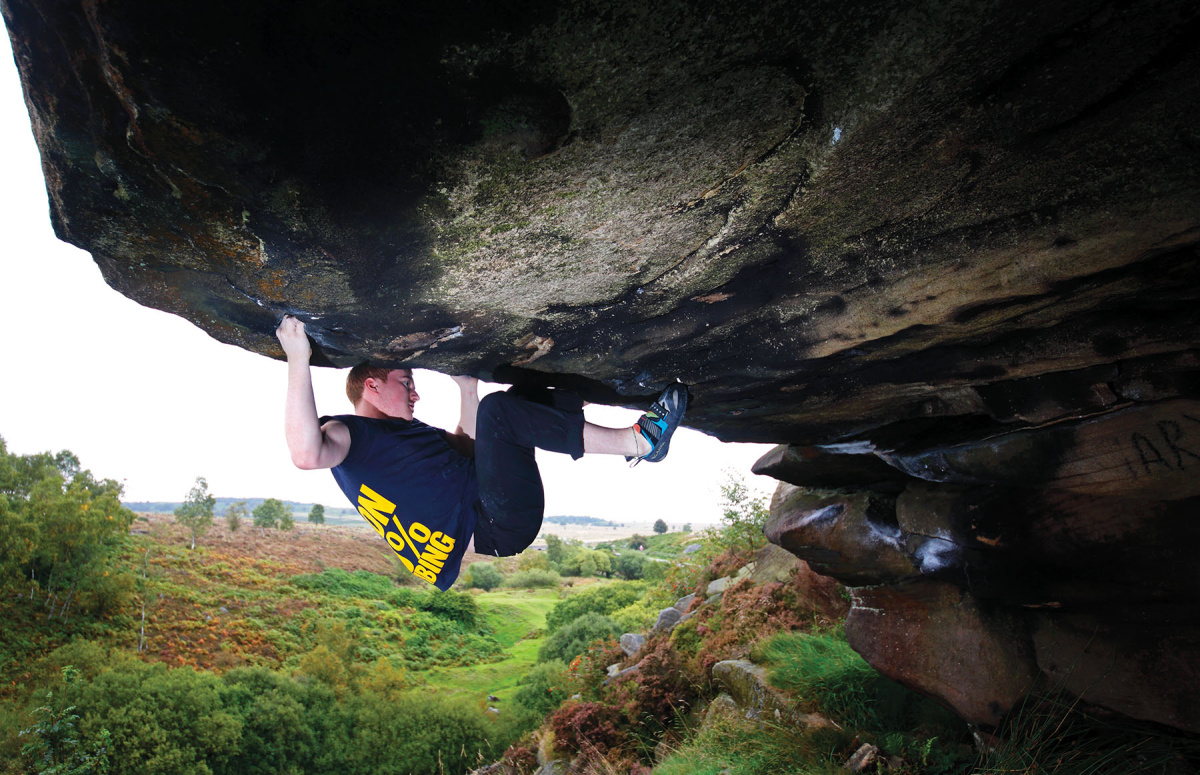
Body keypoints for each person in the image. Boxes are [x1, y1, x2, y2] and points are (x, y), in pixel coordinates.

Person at [275, 315, 688, 590]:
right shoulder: (350, 436)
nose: (415, 392)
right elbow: (306, 454)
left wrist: (467, 390)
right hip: (495, 523)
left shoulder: (408, 437)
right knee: (501, 411)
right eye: (406, 381)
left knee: (514, 398)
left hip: (496, 504)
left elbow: (474, 446)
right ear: (372, 386)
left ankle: (585, 400)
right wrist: (299, 357)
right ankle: (640, 442)